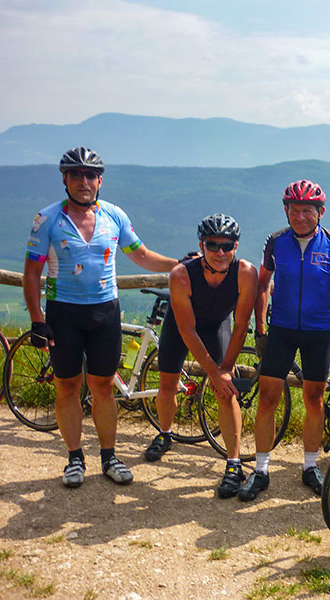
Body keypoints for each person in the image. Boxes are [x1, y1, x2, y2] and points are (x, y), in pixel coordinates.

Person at [23, 147, 178, 488]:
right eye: (76, 174)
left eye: (90, 175)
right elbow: (32, 273)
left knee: (104, 386)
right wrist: (37, 318)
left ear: (100, 180)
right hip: (63, 311)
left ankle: (109, 456)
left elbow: (140, 255)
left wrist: (180, 265)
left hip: (105, 310)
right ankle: (75, 457)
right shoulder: (47, 219)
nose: (83, 181)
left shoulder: (114, 216)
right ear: (65, 179)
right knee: (67, 386)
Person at [238, 180, 330, 501]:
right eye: (294, 210)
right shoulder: (276, 242)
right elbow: (263, 285)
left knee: (314, 399)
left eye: (307, 210)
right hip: (281, 330)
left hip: (318, 332)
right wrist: (260, 329)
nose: (300, 216)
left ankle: (309, 466)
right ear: (286, 210)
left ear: (321, 212)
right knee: (267, 398)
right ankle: (261, 470)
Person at [143, 214, 258, 498]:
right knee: (168, 382)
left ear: (236, 247)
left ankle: (233, 464)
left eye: (227, 246)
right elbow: (186, 328)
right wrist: (212, 370)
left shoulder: (245, 272)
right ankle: (165, 432)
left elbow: (242, 324)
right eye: (212, 245)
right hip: (182, 326)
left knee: (226, 391)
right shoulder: (181, 274)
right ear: (201, 245)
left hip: (218, 323)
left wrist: (225, 369)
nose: (220, 252)